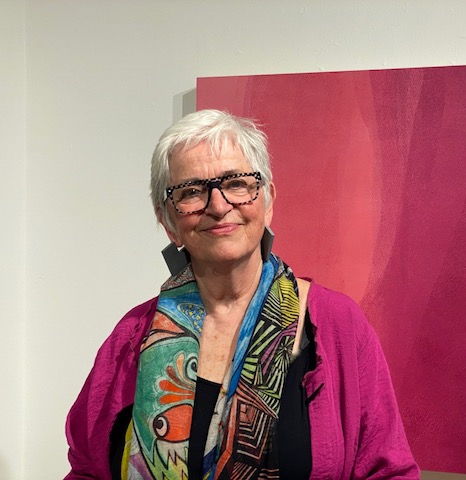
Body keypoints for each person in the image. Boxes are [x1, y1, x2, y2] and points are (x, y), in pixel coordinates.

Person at [65, 110, 419, 479]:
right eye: (191, 191)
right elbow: (88, 467)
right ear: (168, 221)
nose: (218, 206)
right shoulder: (133, 334)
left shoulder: (337, 324)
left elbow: (387, 470)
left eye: (237, 183)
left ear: (267, 200)